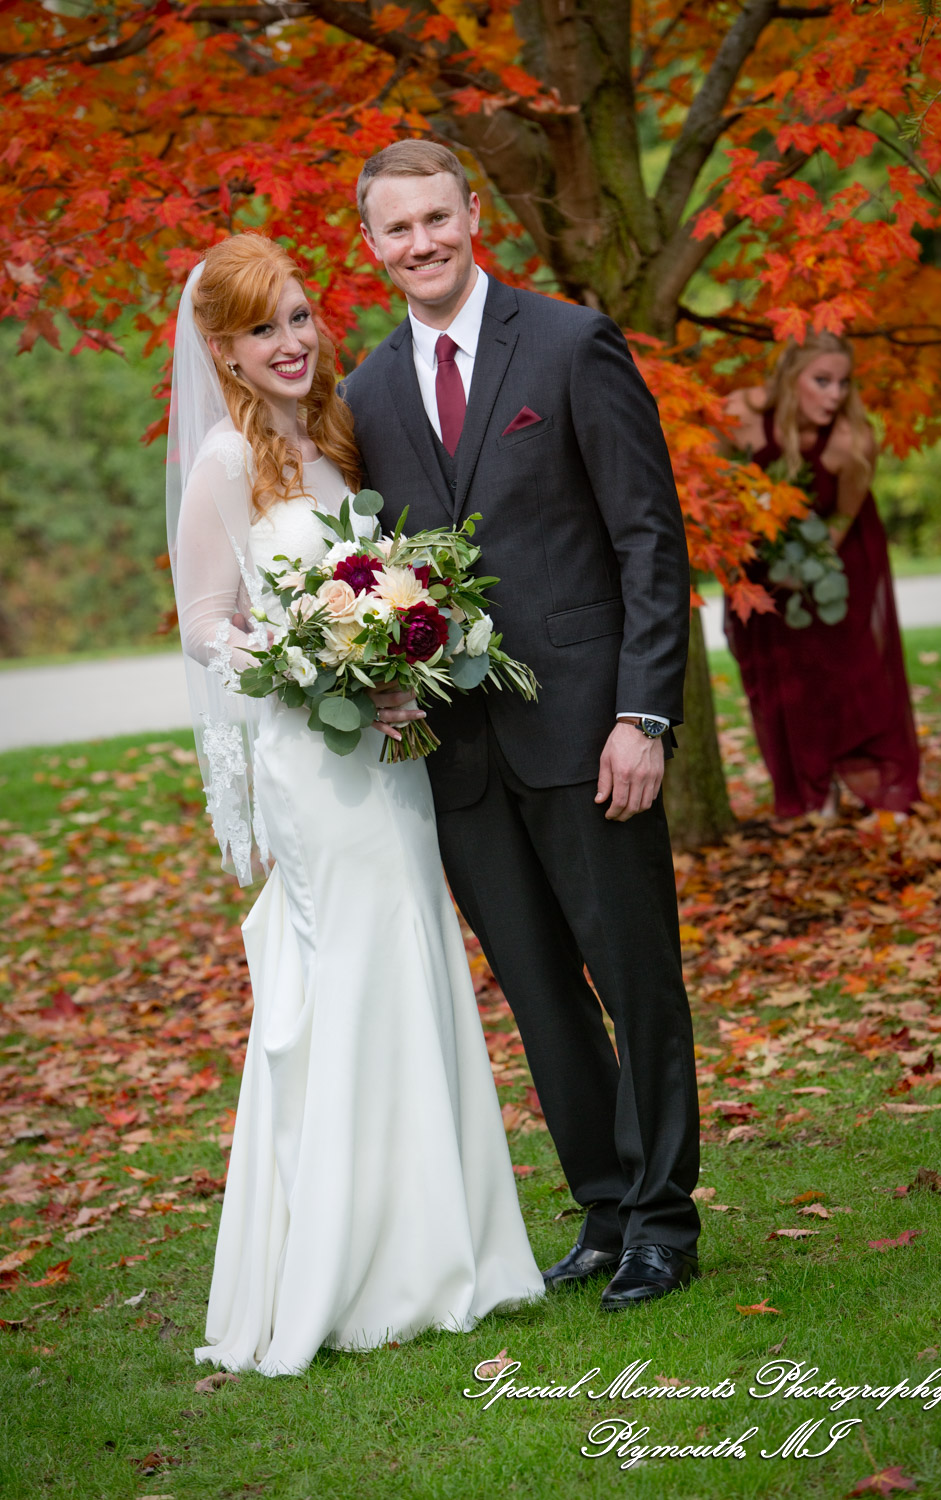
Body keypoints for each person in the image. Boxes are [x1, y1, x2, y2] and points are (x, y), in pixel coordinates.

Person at [166, 233, 543, 1376]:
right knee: (345, 979)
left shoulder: (332, 438)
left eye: (299, 317)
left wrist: (394, 654)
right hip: (311, 765)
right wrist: (312, 667)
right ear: (223, 350)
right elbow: (200, 624)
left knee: (411, 960)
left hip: (389, 760)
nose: (291, 342)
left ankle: (443, 1246)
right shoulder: (226, 464)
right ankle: (345, 1263)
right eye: (264, 328)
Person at [344, 140, 700, 1310]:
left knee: (632, 974)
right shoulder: (366, 393)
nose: (421, 244)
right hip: (461, 755)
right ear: (372, 245)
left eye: (435, 218)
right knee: (542, 996)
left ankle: (663, 1220)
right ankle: (602, 1204)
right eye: (396, 230)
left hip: (594, 732)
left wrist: (644, 715)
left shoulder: (568, 343)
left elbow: (650, 539)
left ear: (470, 215)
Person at [724, 331, 921, 819]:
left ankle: (880, 786)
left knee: (850, 672)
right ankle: (813, 793)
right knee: (784, 678)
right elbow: (709, 486)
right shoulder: (738, 415)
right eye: (823, 380)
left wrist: (804, 567)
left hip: (838, 562)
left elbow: (842, 520)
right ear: (791, 376)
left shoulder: (853, 443)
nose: (836, 395)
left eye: (844, 383)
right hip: (759, 568)